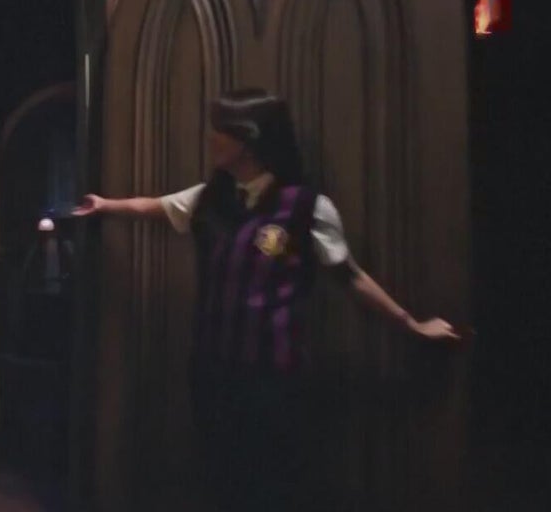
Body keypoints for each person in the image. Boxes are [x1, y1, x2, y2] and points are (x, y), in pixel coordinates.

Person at [74, 88, 460, 512]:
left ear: (249, 140)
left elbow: (349, 276)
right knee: (218, 480)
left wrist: (411, 325)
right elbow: (155, 207)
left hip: (273, 378)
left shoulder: (307, 207)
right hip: (213, 371)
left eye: (221, 130)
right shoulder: (210, 198)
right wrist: (104, 205)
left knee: (271, 484)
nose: (211, 137)